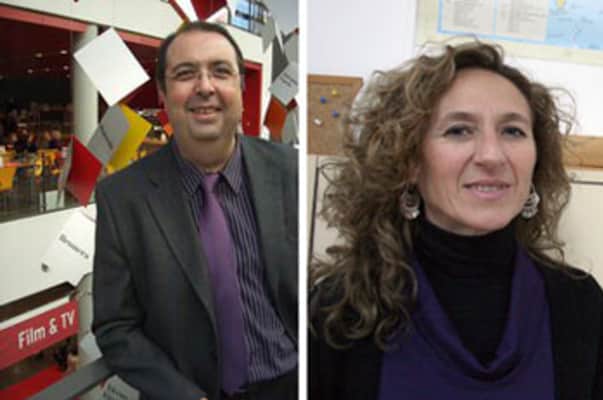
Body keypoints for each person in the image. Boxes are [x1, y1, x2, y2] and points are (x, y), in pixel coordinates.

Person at [309, 40, 603, 399]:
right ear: (409, 161)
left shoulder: (580, 305)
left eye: (512, 131)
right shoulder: (339, 311)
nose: (492, 155)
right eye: (459, 130)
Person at [93, 21, 298, 400]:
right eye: (186, 74)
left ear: (241, 87)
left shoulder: (290, 170)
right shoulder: (121, 198)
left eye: (220, 71)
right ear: (163, 93)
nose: (205, 86)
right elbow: (115, 327)